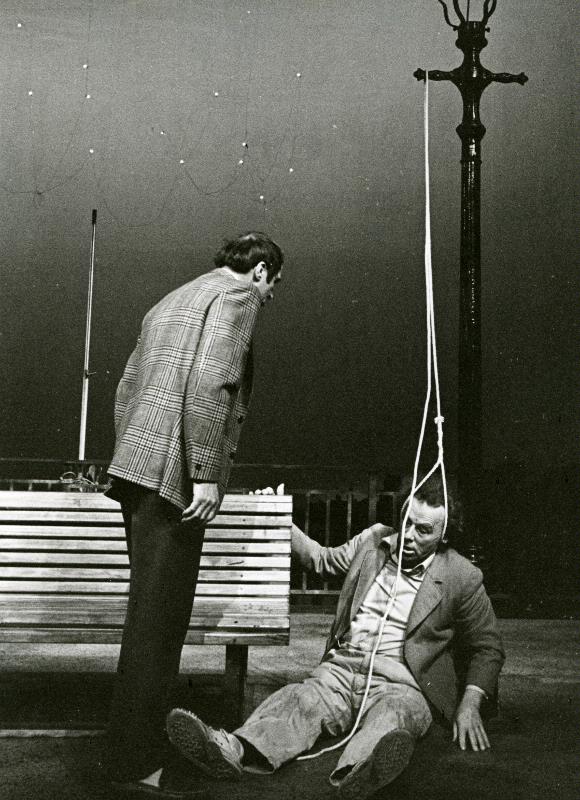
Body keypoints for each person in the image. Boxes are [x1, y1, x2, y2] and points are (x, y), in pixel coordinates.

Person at [166, 473, 505, 799]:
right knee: (300, 700)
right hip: (342, 669)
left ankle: (362, 772)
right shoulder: (374, 541)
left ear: (444, 535)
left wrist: (469, 704)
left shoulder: (462, 575)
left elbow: (487, 647)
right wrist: (279, 517)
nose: (409, 534)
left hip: (402, 683)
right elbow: (323, 560)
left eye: (423, 530)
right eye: (407, 522)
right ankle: (231, 749)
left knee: (394, 716)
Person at [104, 232, 284, 797]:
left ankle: (131, 753)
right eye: (274, 283)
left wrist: (134, 455)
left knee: (145, 618)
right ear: (260, 271)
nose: (271, 295)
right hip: (174, 479)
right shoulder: (238, 298)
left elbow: (126, 389)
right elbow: (212, 383)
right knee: (160, 627)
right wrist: (203, 472)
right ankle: (136, 762)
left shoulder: (170, 300)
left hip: (138, 471)